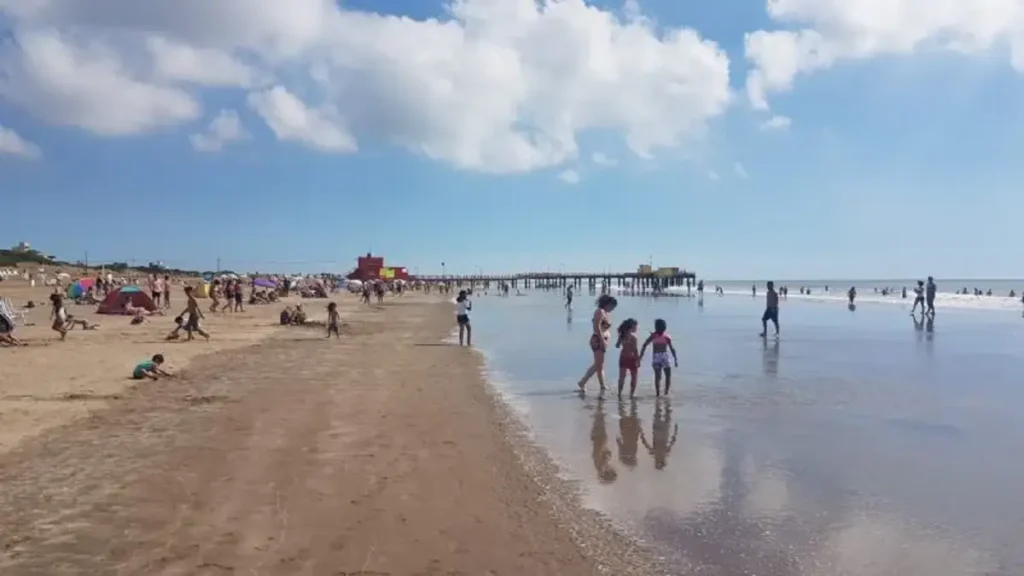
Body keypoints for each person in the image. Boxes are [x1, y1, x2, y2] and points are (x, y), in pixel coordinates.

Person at [577, 294, 617, 392]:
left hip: (603, 340)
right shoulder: (600, 311)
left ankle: (602, 385)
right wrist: (602, 340)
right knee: (598, 364)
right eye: (612, 306)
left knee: (600, 364)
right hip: (598, 340)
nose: (612, 308)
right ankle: (583, 381)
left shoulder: (606, 313)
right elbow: (596, 327)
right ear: (607, 304)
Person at [639, 318, 678, 396]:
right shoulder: (667, 337)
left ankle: (658, 393)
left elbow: (644, 345)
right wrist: (675, 359)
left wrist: (641, 356)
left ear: (656, 327)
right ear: (665, 327)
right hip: (664, 356)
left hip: (656, 357)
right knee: (668, 375)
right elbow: (672, 348)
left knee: (657, 376)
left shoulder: (653, 336)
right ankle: (666, 393)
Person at [615, 318, 640, 399]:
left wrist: (622, 341)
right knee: (634, 377)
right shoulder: (634, 338)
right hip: (632, 359)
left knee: (621, 377)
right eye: (636, 327)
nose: (636, 328)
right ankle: (632, 395)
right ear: (632, 327)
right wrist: (638, 360)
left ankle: (619, 393)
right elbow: (635, 350)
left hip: (623, 357)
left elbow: (617, 346)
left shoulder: (622, 336)